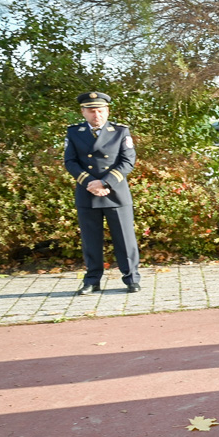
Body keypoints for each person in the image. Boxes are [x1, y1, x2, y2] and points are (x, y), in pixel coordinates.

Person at [63, 91, 142, 294]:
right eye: (91, 111)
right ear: (83, 112)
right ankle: (92, 281)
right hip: (87, 191)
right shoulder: (74, 132)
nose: (95, 114)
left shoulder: (120, 131)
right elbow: (70, 162)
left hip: (115, 192)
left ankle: (131, 278)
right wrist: (90, 183)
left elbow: (128, 161)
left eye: (99, 110)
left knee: (125, 239)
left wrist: (105, 183)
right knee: (90, 239)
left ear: (107, 111)